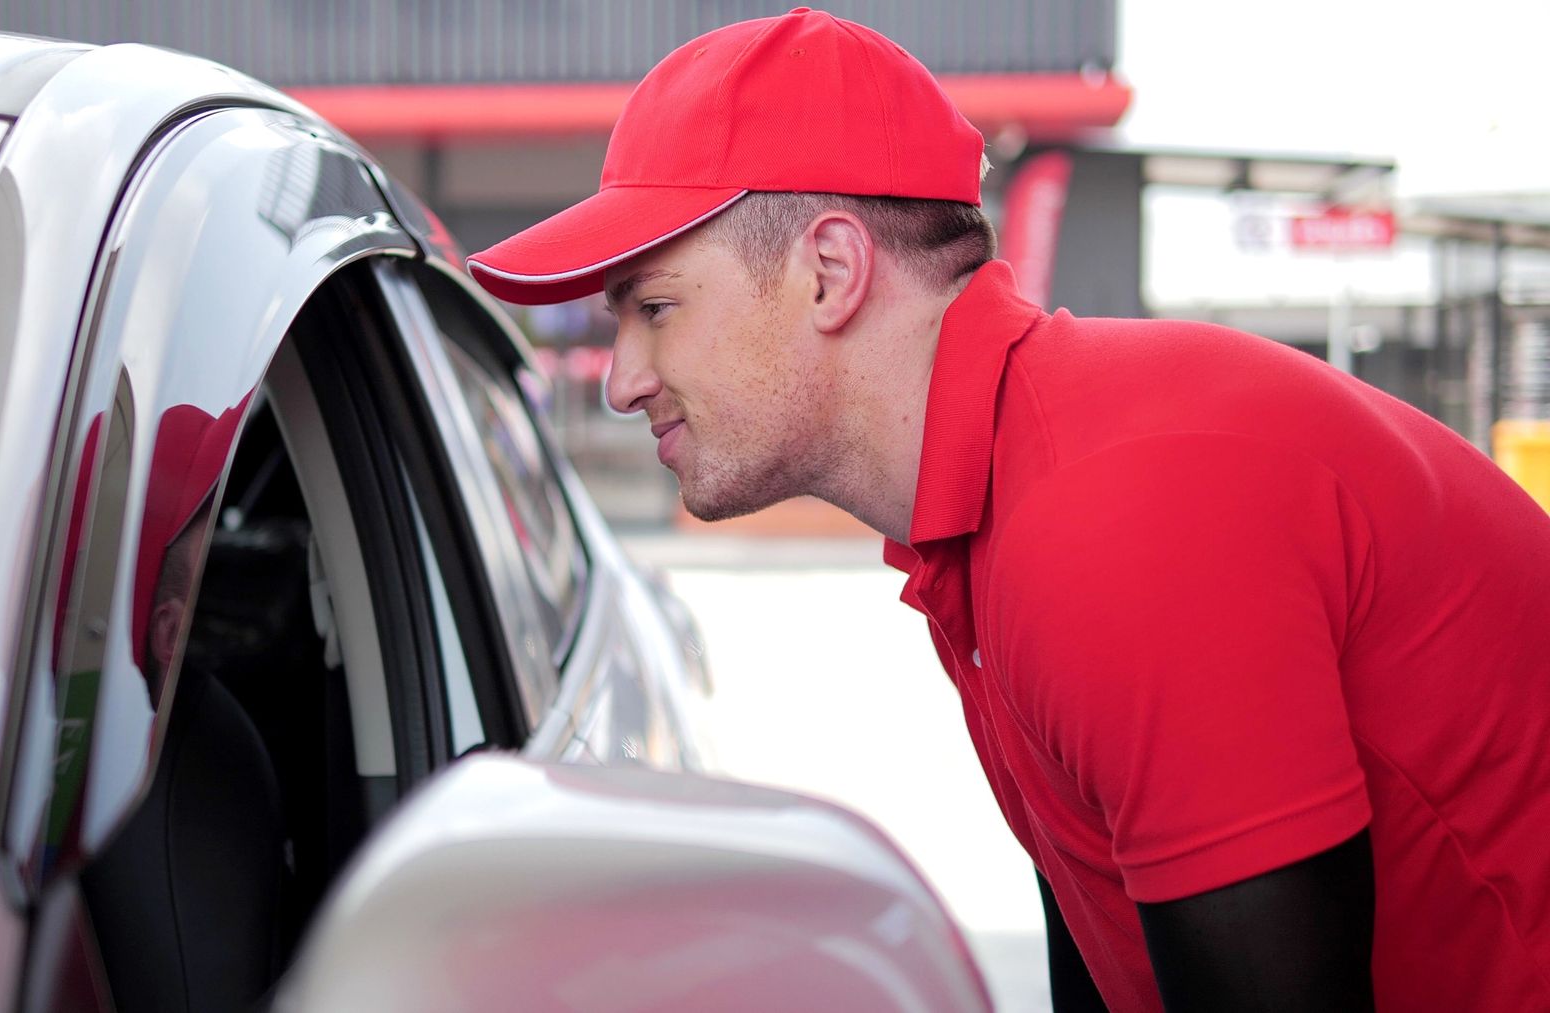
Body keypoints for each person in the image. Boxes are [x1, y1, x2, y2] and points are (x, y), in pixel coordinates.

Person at [466, 9, 1550, 1012]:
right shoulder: (989, 512)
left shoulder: (1110, 513)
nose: (622, 378)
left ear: (831, 271)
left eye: (655, 308)